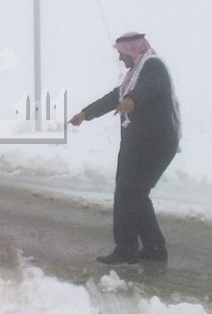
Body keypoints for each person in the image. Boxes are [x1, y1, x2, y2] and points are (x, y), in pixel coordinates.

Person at [69, 32, 181, 265]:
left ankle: (127, 250)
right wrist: (85, 114)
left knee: (127, 194)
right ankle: (154, 247)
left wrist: (132, 100)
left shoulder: (152, 67)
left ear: (133, 50)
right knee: (135, 194)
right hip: (140, 143)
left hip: (153, 144)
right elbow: (115, 97)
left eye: (121, 53)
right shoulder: (135, 74)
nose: (120, 58)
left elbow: (149, 88)